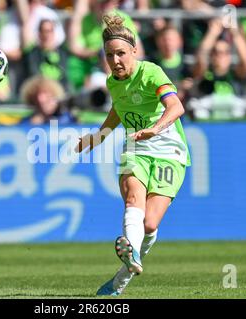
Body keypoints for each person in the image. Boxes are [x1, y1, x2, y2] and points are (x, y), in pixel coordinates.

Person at [75, 14, 191, 296]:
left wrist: (155, 128)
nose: (115, 61)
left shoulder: (151, 72)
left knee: (150, 223)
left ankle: (122, 277)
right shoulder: (113, 82)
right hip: (136, 148)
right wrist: (98, 136)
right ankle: (134, 255)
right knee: (132, 199)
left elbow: (176, 108)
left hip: (169, 151)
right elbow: (118, 109)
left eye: (121, 54)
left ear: (134, 51)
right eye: (109, 55)